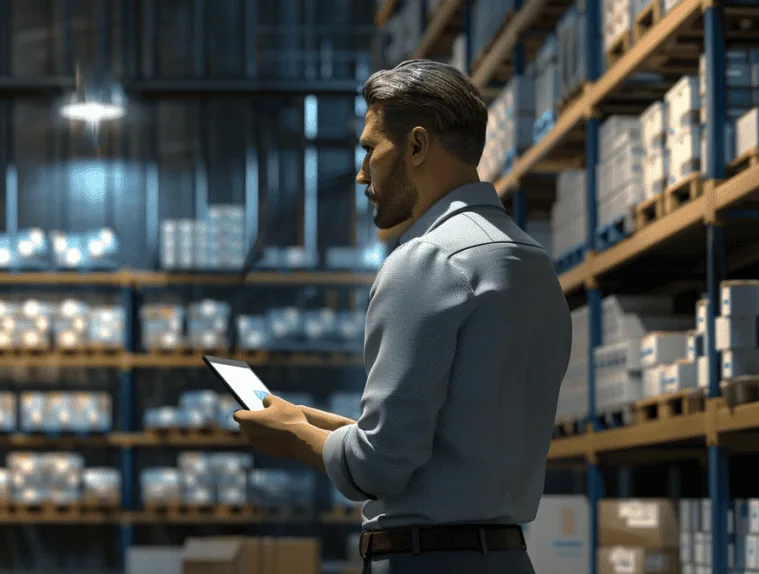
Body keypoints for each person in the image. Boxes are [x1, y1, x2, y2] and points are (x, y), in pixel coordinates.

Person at [233, 59, 573, 573]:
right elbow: (439, 442)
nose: (360, 172)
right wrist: (307, 419)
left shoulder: (428, 260)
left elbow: (381, 466)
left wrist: (295, 440)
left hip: (427, 562)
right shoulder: (530, 263)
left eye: (371, 149)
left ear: (415, 146)